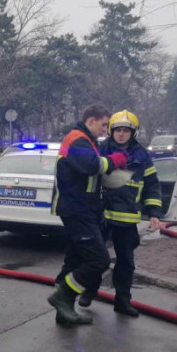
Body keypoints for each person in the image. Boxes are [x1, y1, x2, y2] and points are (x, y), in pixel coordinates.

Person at [47, 104, 128, 326]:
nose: (105, 130)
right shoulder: (77, 140)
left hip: (82, 210)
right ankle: (62, 297)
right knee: (98, 260)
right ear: (91, 120)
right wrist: (115, 160)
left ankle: (63, 311)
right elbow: (92, 166)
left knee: (73, 261)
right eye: (104, 125)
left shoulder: (85, 140)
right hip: (77, 211)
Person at [79, 110, 163, 317]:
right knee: (96, 257)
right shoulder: (100, 150)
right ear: (111, 131)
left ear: (132, 133)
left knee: (126, 263)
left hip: (126, 219)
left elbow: (152, 186)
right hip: (101, 215)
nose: (121, 134)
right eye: (118, 130)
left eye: (126, 131)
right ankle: (90, 291)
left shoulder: (142, 156)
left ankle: (123, 301)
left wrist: (154, 212)